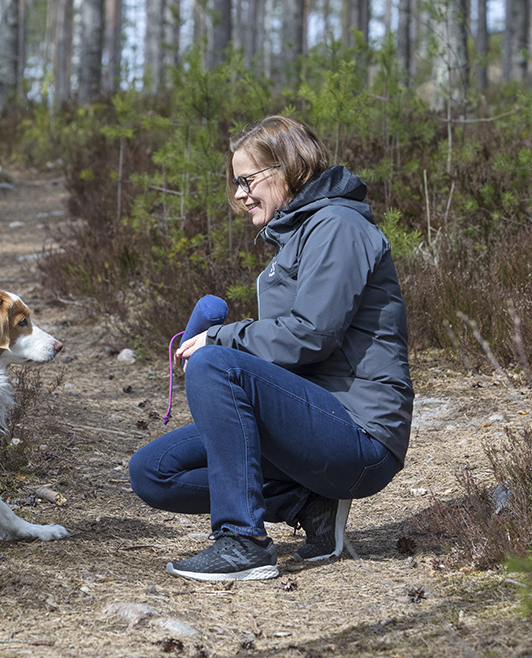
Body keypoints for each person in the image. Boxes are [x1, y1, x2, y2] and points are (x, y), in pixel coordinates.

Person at [128, 115, 414, 582]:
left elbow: (312, 333)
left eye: (247, 180)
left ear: (289, 168)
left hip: (361, 435)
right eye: (235, 184)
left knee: (216, 362)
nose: (239, 195)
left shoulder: (338, 226)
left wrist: (220, 339)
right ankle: (309, 503)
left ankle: (243, 541)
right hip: (317, 425)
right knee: (152, 472)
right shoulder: (297, 237)